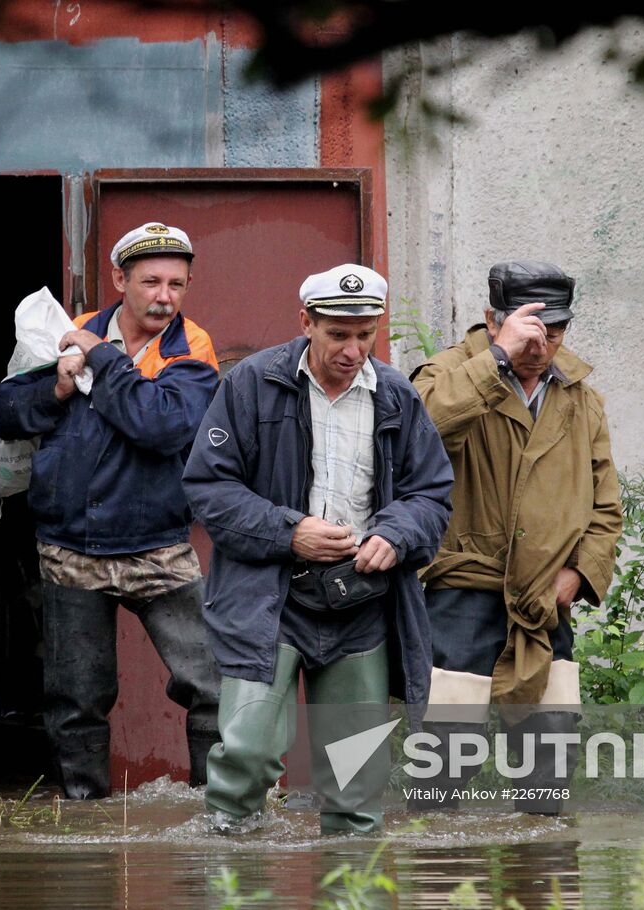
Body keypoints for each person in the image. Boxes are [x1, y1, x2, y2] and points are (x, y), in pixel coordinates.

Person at [183, 264, 453, 834]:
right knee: (248, 755)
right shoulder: (251, 383)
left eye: (366, 334)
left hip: (361, 604)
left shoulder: (397, 397)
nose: (353, 350)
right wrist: (289, 531)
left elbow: (430, 494)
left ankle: (351, 887)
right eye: (337, 334)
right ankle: (230, 875)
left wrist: (394, 534)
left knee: (356, 788)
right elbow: (209, 486)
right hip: (271, 601)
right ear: (305, 322)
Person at [0, 221, 222, 799]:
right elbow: (8, 411)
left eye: (177, 283)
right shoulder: (65, 334)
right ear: (120, 279)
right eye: (150, 282)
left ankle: (221, 814)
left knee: (212, 684)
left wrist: (102, 360)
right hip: (71, 549)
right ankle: (84, 818)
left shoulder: (191, 348)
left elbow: (163, 424)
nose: (164, 296)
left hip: (159, 547)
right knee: (75, 700)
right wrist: (58, 390)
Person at [409, 260, 623, 814]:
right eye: (529, 330)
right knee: (442, 762)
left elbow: (605, 505)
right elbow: (419, 426)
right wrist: (496, 360)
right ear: (493, 319)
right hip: (462, 589)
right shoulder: (448, 372)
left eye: (553, 332)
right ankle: (440, 883)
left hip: (545, 601)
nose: (541, 345)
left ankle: (544, 885)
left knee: (546, 772)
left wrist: (578, 573)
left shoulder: (579, 396)